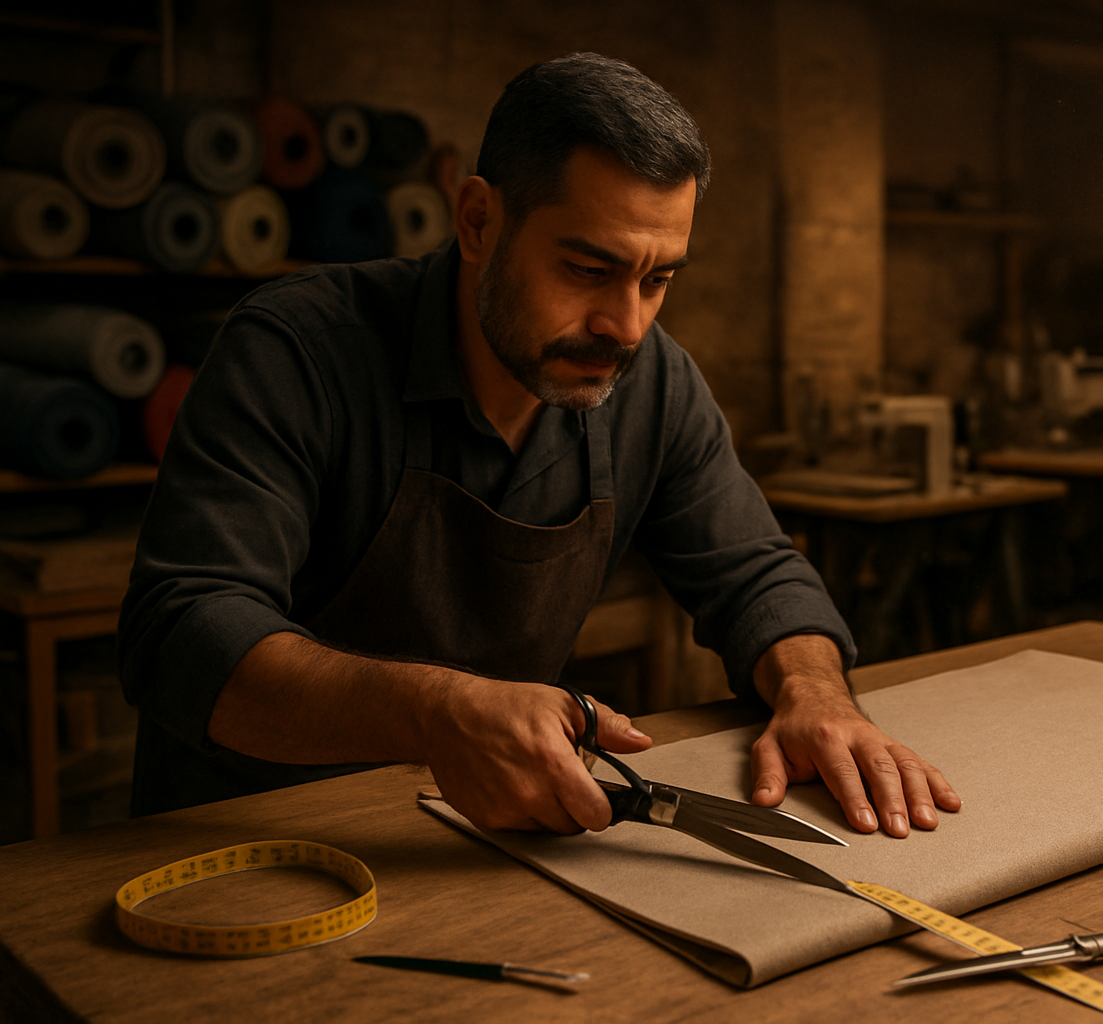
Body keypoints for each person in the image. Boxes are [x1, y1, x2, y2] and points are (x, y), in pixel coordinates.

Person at [118, 52, 960, 839]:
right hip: (256, 841)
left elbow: (755, 574)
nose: (625, 326)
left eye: (658, 278)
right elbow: (181, 632)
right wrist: (437, 711)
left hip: (480, 846)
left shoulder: (653, 383)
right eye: (588, 269)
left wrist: (815, 694)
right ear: (479, 219)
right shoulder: (296, 349)